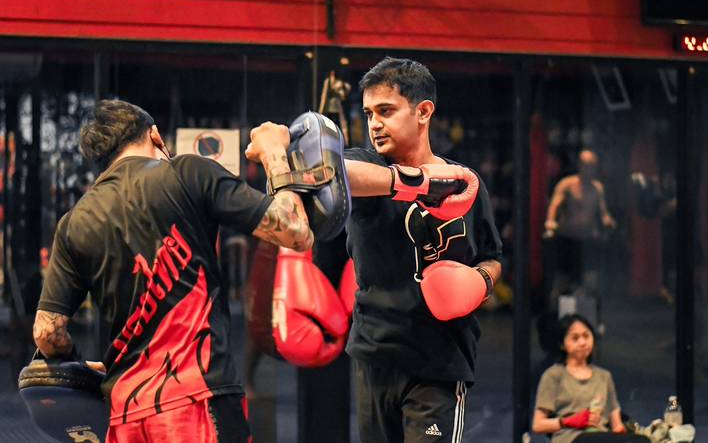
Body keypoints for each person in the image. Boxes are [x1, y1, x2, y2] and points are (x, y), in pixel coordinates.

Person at [32, 99, 314, 442]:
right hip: (197, 401)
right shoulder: (187, 173)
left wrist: (80, 367)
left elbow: (47, 332)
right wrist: (274, 154)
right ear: (155, 135)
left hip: (125, 414)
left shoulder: (74, 222)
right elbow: (295, 232)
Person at [343, 57, 504, 443]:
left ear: (423, 112)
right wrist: (416, 184)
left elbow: (493, 256)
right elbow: (335, 172)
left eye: (386, 111)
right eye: (368, 113)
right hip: (375, 354)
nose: (374, 123)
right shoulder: (365, 166)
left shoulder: (464, 183)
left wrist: (480, 281)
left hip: (440, 362)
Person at [532, 313, 649, 443]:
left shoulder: (604, 376)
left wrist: (621, 431)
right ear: (562, 344)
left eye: (586, 336)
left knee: (641, 440)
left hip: (600, 435)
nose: (583, 342)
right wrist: (568, 421)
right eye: (575, 338)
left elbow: (616, 424)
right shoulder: (553, 375)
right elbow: (538, 425)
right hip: (570, 438)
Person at [544, 150, 616, 300]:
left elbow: (603, 212)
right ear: (579, 165)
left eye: (592, 166)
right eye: (586, 165)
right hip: (567, 238)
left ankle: (585, 312)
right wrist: (550, 223)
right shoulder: (567, 184)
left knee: (590, 281)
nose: (589, 169)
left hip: (587, 240)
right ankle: (554, 310)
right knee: (562, 280)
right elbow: (554, 205)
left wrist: (607, 220)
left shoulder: (597, 188)